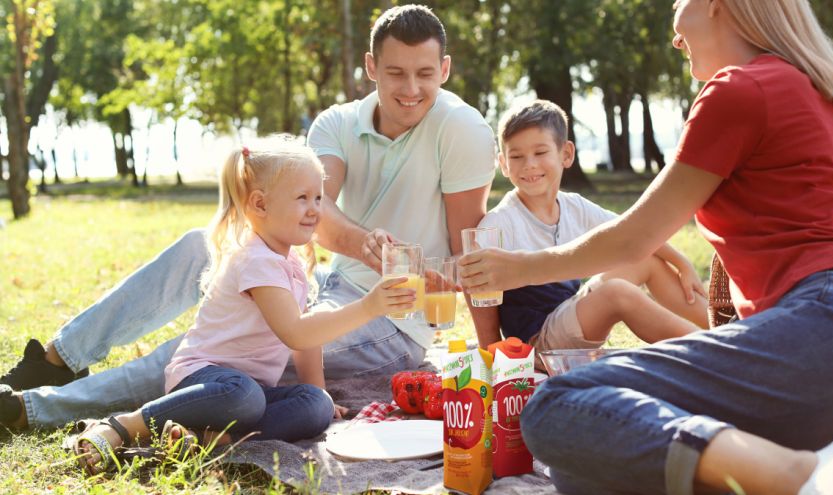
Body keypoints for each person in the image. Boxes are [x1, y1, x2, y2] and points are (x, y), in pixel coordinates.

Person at [0, 4, 496, 431]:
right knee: (203, 245)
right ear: (371, 66)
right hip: (326, 281)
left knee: (211, 352)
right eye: (396, 73)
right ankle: (56, 359)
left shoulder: (461, 129)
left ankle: (35, 408)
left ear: (445, 69)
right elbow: (316, 213)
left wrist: (491, 356)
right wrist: (367, 244)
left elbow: (468, 248)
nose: (410, 89)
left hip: (392, 318)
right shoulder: (337, 124)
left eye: (424, 74)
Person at [459, 0, 833, 493]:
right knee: (584, 465)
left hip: (828, 326)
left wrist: (518, 269)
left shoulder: (740, 87)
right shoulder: (820, 91)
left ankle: (809, 478)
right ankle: (823, 460)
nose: (675, 37)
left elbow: (636, 237)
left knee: (557, 403)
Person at [73, 139, 418, 474]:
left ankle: (214, 438)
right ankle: (127, 424)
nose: (316, 208)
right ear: (260, 205)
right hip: (204, 380)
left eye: (318, 197)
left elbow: (308, 330)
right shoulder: (256, 260)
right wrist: (369, 306)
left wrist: (320, 391)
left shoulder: (289, 261)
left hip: (251, 389)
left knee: (315, 407)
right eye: (302, 198)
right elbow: (296, 333)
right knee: (244, 396)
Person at [471, 99, 708, 353]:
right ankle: (714, 350)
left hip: (568, 315)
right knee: (616, 292)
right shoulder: (500, 222)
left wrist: (681, 262)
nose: (529, 164)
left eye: (540, 153)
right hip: (537, 342)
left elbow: (630, 233)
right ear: (504, 164)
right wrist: (493, 350)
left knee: (645, 259)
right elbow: (473, 281)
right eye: (516, 156)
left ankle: (722, 330)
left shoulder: (574, 207)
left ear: (566, 154)